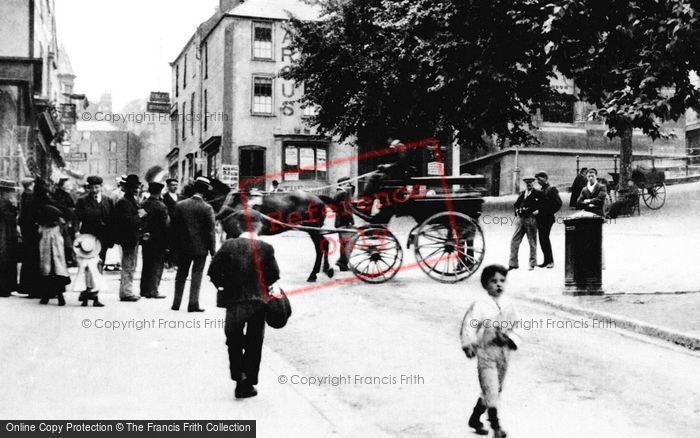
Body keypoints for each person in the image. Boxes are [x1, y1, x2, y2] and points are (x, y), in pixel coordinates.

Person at [208, 210, 280, 399]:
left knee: (233, 340)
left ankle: (238, 375)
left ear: (239, 226)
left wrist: (223, 286)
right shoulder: (266, 247)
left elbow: (213, 271)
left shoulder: (229, 245)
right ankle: (248, 381)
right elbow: (273, 275)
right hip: (258, 302)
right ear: (259, 226)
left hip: (234, 302)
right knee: (254, 341)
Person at [461, 265, 521, 438]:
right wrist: (469, 344)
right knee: (492, 389)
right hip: (486, 353)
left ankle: (474, 418)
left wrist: (511, 338)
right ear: (485, 285)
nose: (498, 285)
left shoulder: (509, 305)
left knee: (495, 389)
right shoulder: (480, 305)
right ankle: (496, 427)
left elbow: (521, 325)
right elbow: (470, 325)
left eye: (502, 281)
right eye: (493, 281)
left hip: (504, 353)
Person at [171, 176, 216, 312]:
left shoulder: (180, 205)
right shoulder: (207, 208)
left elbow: (174, 228)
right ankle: (193, 304)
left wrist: (174, 248)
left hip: (183, 247)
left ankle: (176, 303)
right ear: (205, 191)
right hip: (200, 249)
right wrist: (213, 251)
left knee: (181, 274)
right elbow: (211, 232)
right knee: (196, 275)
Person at [112, 174, 146, 302]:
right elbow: (128, 221)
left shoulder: (130, 200)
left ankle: (127, 290)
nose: (136, 189)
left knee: (131, 264)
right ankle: (126, 292)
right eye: (134, 187)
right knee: (129, 264)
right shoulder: (125, 202)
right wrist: (141, 215)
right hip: (128, 237)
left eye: (136, 187)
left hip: (131, 237)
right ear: (129, 188)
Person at [74, 176, 114, 271]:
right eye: (92, 187)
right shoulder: (82, 201)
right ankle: (90, 284)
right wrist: (76, 232)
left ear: (101, 187)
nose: (94, 190)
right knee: (89, 259)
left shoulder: (108, 200)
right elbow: (76, 218)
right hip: (88, 235)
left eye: (96, 187)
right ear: (88, 188)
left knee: (101, 259)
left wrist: (112, 234)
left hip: (104, 235)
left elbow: (112, 218)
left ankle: (98, 281)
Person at [139, 181, 169, 299]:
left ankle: (144, 289)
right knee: (157, 265)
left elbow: (140, 219)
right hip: (159, 239)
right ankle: (153, 290)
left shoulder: (143, 204)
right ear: (160, 192)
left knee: (146, 264)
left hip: (147, 238)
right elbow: (166, 225)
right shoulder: (161, 206)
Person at [37, 203, 70, 306]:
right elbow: (65, 234)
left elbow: (39, 232)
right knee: (58, 271)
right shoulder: (59, 225)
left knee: (47, 271)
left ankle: (46, 296)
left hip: (46, 249)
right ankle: (60, 296)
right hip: (57, 250)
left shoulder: (42, 225)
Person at [508, 178, 541, 271]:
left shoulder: (538, 194)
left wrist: (539, 211)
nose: (529, 185)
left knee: (532, 242)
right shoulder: (522, 194)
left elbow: (544, 205)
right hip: (520, 219)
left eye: (530, 183)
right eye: (527, 184)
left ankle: (532, 263)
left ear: (533, 184)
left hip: (531, 220)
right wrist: (517, 210)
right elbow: (516, 204)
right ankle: (513, 263)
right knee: (514, 241)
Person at [534, 171, 562, 268]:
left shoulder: (551, 189)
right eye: (537, 179)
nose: (538, 181)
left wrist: (547, 212)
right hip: (541, 219)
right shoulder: (542, 189)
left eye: (540, 179)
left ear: (545, 178)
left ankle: (550, 261)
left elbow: (558, 204)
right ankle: (546, 261)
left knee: (545, 239)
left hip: (547, 219)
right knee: (542, 239)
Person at [73, 234, 105, 307]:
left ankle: (85, 298)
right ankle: (94, 298)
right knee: (95, 278)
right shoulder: (96, 256)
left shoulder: (80, 256)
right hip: (93, 244)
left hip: (86, 244)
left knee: (84, 278)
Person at [0, 180, 19, 297]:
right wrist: (14, 208)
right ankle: (4, 288)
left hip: (6, 233)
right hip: (4, 234)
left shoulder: (5, 202)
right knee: (5, 259)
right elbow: (9, 217)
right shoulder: (4, 203)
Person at [53, 177, 76, 267]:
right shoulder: (63, 195)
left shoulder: (59, 194)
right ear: (61, 186)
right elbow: (68, 208)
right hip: (64, 221)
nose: (68, 186)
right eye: (66, 185)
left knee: (65, 240)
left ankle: (66, 259)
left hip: (63, 220)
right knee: (67, 240)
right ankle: (68, 259)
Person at [333, 177, 355, 271]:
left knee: (344, 243)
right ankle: (342, 262)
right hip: (344, 221)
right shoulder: (343, 193)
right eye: (347, 184)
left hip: (340, 221)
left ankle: (342, 262)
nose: (349, 186)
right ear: (341, 185)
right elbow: (346, 209)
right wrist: (351, 220)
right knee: (348, 243)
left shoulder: (339, 193)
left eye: (349, 184)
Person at [162, 178, 180, 269]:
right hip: (168, 224)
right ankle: (167, 261)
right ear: (168, 186)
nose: (175, 187)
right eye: (173, 185)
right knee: (168, 242)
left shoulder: (180, 197)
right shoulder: (164, 197)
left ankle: (175, 262)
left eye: (176, 185)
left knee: (177, 242)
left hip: (178, 224)